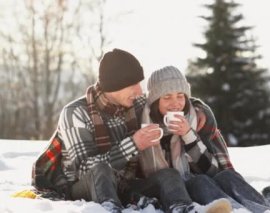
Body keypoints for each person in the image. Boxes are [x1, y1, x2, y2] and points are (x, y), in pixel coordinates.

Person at [56, 49, 228, 213]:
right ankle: (109, 209)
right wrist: (134, 144)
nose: (139, 91)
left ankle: (182, 208)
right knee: (101, 170)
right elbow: (85, 169)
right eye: (133, 84)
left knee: (168, 175)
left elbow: (166, 100)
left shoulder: (136, 104)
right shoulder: (75, 113)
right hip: (85, 187)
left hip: (127, 185)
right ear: (114, 85)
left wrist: (198, 110)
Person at [139, 65, 270, 213]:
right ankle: (234, 210)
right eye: (167, 97)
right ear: (154, 101)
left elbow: (215, 171)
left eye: (180, 96)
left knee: (227, 176)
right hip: (172, 193)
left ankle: (264, 210)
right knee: (199, 181)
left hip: (203, 185)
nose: (175, 103)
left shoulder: (197, 120)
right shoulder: (142, 126)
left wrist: (189, 136)